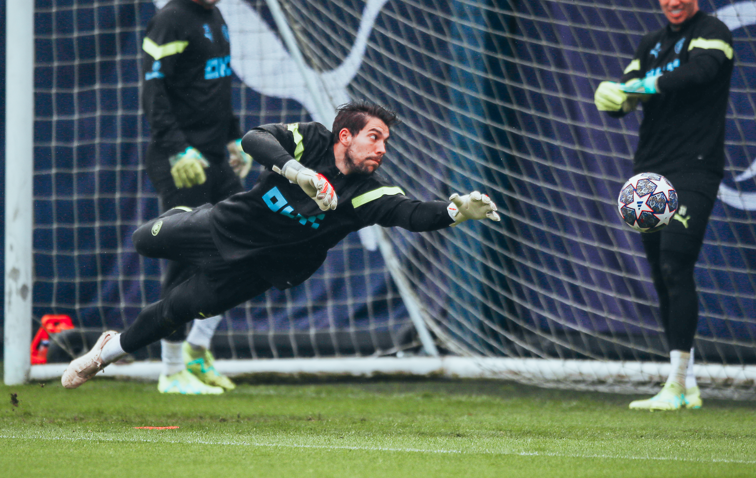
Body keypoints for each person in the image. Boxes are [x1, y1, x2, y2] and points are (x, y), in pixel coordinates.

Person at [61, 101, 501, 389]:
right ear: (344, 136)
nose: (382, 148)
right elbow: (255, 138)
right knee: (142, 242)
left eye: (386, 141)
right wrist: (298, 172)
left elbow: (412, 214)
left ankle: (105, 353)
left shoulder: (366, 192)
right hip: (225, 225)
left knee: (177, 309)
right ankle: (182, 217)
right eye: (375, 136)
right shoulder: (313, 139)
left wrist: (454, 212)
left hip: (259, 268)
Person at [594, 0, 734, 411]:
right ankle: (686, 385)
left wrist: (637, 88)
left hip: (694, 166)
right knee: (660, 273)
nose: (673, 2)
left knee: (676, 263)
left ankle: (674, 385)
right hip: (647, 172)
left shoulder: (713, 33)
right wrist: (613, 99)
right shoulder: (650, 43)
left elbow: (698, 74)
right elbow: (626, 98)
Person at [138, 0, 252, 395]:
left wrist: (234, 139)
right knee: (184, 258)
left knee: (245, 245)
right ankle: (169, 371)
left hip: (215, 159)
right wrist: (178, 148)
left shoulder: (217, 18)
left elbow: (218, 88)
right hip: (179, 161)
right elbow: (153, 93)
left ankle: (197, 352)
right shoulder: (169, 21)